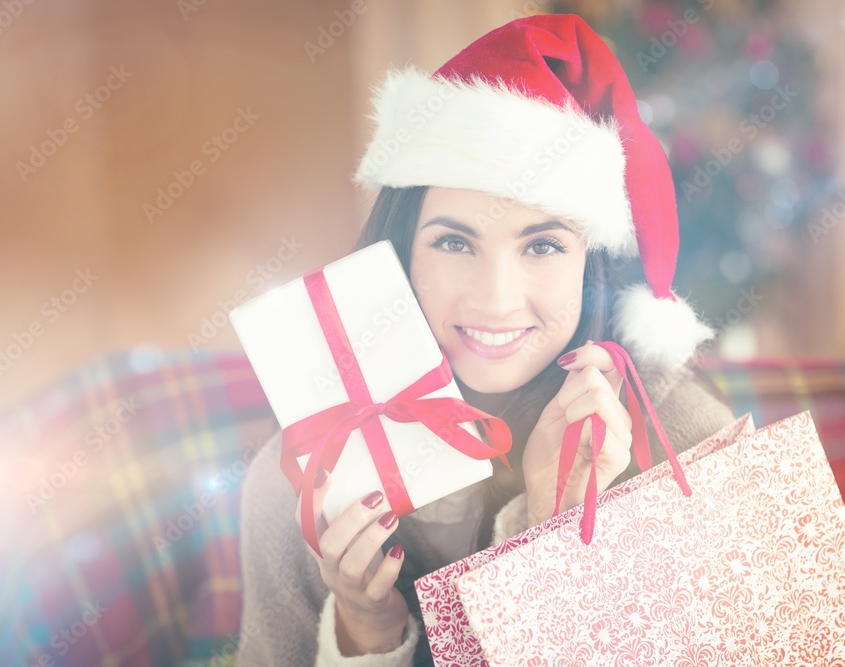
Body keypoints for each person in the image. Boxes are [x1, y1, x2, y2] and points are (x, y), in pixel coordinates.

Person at [236, 13, 736, 666]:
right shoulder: (300, 483)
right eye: (453, 241)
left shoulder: (685, 441)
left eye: (544, 245)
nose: (495, 298)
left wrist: (551, 533)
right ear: (401, 251)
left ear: (593, 262)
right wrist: (365, 633)